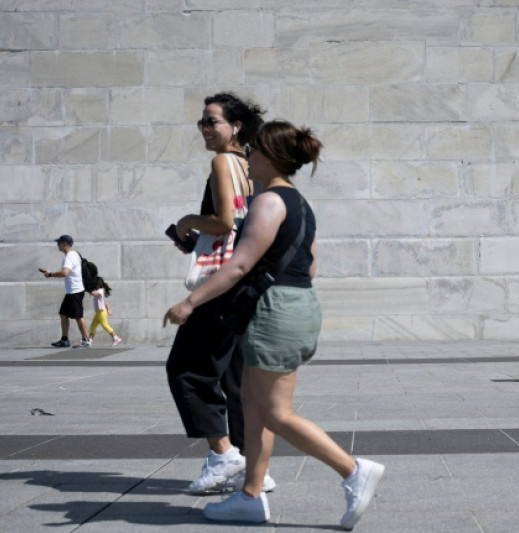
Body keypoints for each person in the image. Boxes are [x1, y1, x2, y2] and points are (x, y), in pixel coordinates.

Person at [164, 120, 385, 529]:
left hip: (275, 310)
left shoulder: (268, 202)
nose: (249, 159)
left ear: (272, 157)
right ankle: (250, 496)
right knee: (253, 405)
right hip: (296, 303)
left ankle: (353, 471)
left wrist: (190, 302)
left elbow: (241, 263)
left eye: (256, 152)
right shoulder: (301, 204)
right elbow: (312, 264)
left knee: (273, 411)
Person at [165, 92, 267, 495]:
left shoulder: (223, 162)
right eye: (202, 123)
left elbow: (224, 222)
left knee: (185, 369)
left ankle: (224, 455)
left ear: (235, 126)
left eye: (213, 122)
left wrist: (187, 221)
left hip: (221, 286)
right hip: (247, 284)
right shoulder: (252, 165)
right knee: (235, 377)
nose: (205, 129)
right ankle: (252, 467)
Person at [39, 235, 90, 348]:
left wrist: (50, 274)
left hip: (75, 291)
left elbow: (65, 272)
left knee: (78, 316)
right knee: (63, 314)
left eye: (59, 243)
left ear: (65, 244)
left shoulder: (69, 257)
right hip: (73, 291)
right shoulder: (75, 254)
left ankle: (86, 340)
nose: (57, 245)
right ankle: (64, 339)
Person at [87, 277, 121, 346]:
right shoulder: (100, 290)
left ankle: (116, 337)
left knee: (105, 325)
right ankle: (90, 340)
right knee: (93, 326)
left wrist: (86, 289)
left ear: (97, 284)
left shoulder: (100, 291)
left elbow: (93, 293)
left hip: (102, 312)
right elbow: (105, 301)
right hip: (98, 313)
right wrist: (108, 309)